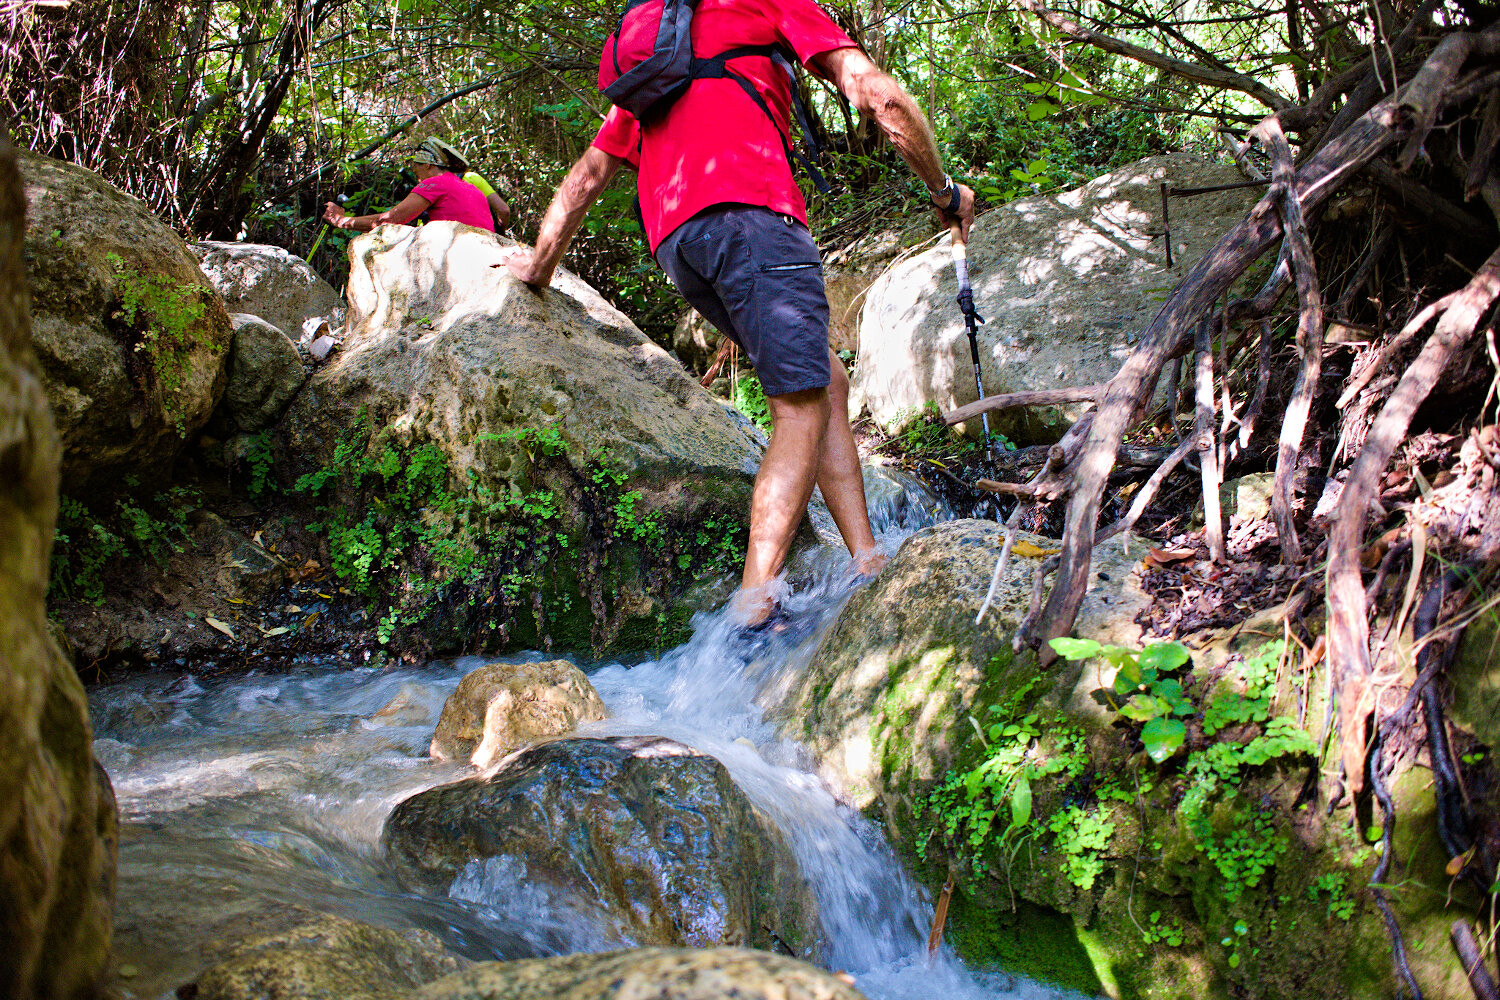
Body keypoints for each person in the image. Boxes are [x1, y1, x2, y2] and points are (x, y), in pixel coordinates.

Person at [505, 0, 975, 628]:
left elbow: (588, 177)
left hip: (676, 241)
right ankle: (752, 612)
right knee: (799, 404)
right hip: (751, 214)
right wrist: (944, 190)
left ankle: (867, 560)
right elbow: (879, 98)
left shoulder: (661, 52)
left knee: (825, 378)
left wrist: (536, 268)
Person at [322, 138, 497, 233]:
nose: (418, 179)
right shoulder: (470, 187)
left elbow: (388, 220)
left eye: (417, 171)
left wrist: (341, 221)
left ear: (428, 165)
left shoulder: (436, 183)